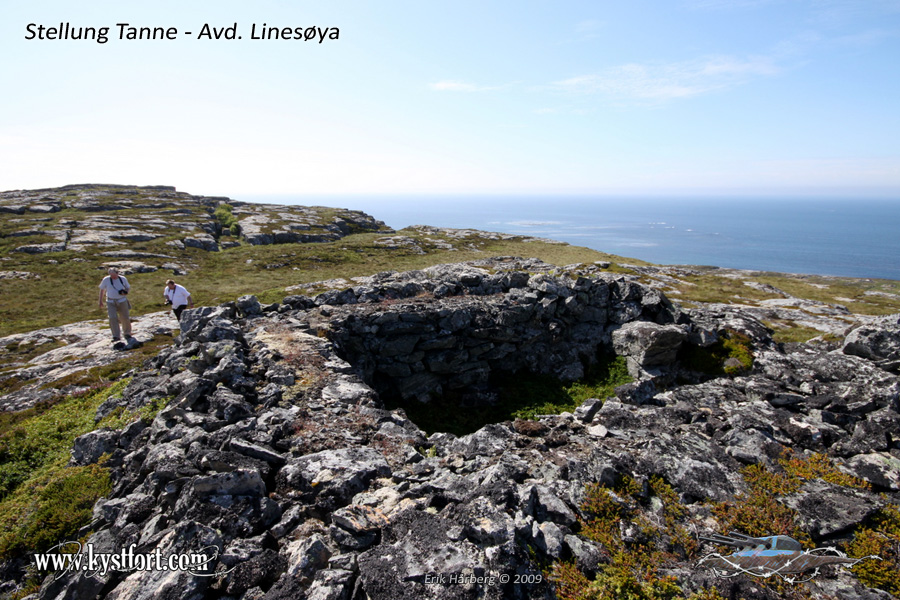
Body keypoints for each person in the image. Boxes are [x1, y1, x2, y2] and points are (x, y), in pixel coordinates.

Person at [98, 267, 132, 341]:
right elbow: (102, 290)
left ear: (117, 273)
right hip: (110, 301)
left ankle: (127, 333)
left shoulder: (123, 279)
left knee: (125, 317)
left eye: (114, 275)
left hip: (122, 300)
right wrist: (100, 301)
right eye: (111, 275)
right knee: (112, 318)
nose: (113, 277)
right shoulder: (106, 279)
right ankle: (116, 335)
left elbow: (128, 287)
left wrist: (125, 292)